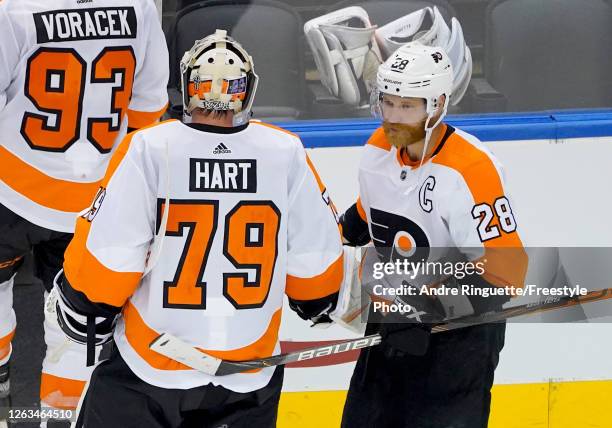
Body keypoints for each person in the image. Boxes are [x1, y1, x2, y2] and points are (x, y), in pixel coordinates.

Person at [52, 29, 344, 427]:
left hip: (152, 366)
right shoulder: (285, 152)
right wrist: (315, 300)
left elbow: (111, 258)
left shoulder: (150, 147)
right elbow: (316, 262)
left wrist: (85, 304)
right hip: (248, 372)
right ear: (246, 91)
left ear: (189, 85)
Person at [339, 42, 528, 428]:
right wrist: (332, 243)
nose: (392, 117)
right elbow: (369, 212)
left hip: (458, 341)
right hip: (394, 327)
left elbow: (506, 272)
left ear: (437, 104)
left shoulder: (470, 169)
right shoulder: (377, 148)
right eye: (387, 102)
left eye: (407, 106)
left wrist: (428, 308)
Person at [0, 0, 169, 417]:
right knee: (75, 328)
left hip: (12, 191)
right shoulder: (139, 4)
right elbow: (148, 106)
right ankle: (62, 418)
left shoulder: (13, 7)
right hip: (94, 203)